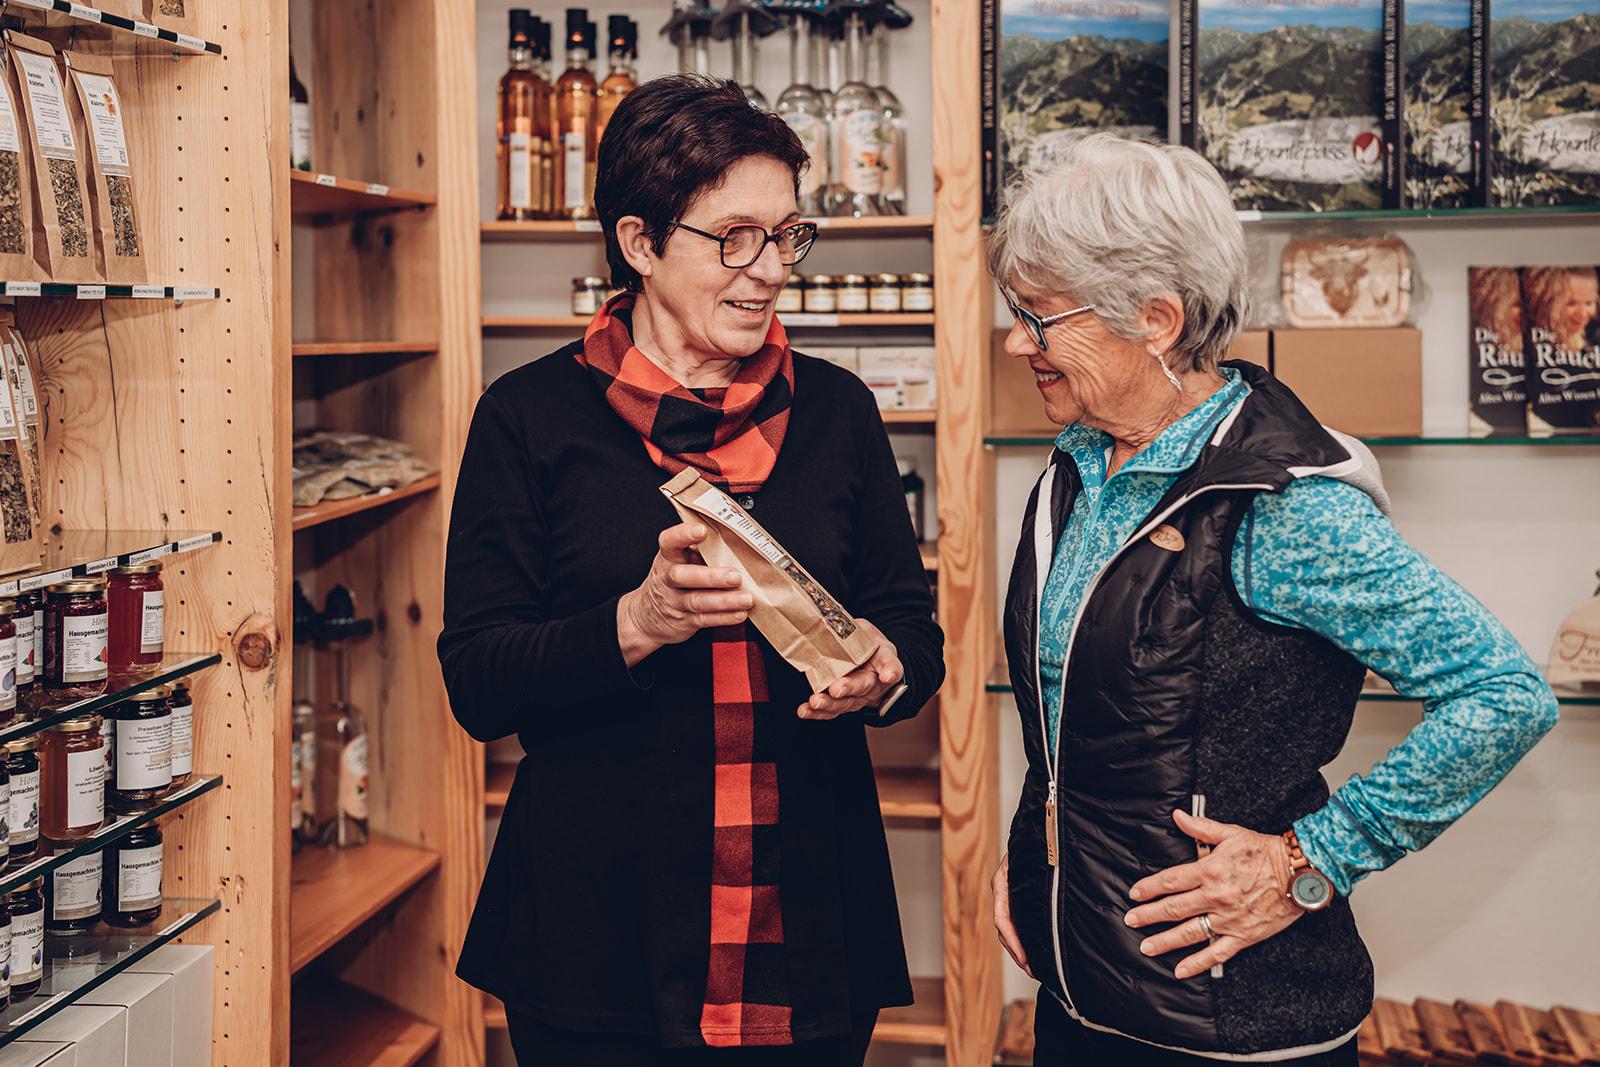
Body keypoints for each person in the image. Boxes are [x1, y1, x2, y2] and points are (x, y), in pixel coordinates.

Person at [986, 135, 1558, 1065]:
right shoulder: (1078, 466)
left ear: (1156, 320)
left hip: (1229, 1023)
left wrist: (1308, 860)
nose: (1018, 342)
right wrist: (1041, 845)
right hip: (1080, 998)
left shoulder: (1287, 505)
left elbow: (1504, 694)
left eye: (1041, 317)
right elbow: (1081, 715)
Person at [438, 75, 943, 1066]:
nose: (771, 269)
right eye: (735, 237)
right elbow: (478, 681)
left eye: (787, 235)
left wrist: (885, 668)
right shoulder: (528, 417)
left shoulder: (837, 410)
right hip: (596, 936)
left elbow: (911, 630)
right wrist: (638, 621)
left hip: (808, 923)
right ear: (639, 242)